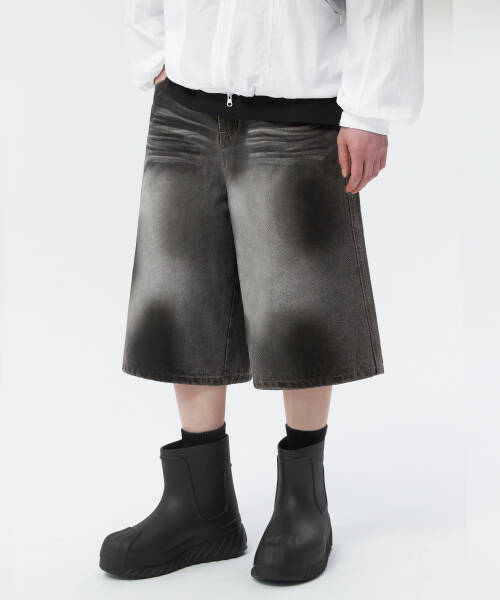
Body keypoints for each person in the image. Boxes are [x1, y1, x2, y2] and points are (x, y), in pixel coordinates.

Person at [99, 0, 423, 583]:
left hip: (298, 100)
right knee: (182, 296)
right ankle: (200, 507)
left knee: (298, 306)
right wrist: (152, 48)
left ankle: (303, 503)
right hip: (186, 99)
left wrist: (370, 109)